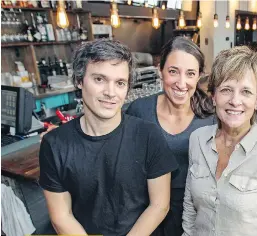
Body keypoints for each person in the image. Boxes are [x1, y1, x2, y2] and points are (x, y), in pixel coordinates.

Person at [39, 39, 178, 235]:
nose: (110, 92)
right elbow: (61, 217)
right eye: (99, 79)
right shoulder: (54, 144)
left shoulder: (148, 135)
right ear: (79, 80)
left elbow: (159, 205)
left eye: (120, 83)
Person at [182, 46, 257, 236]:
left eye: (246, 92)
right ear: (214, 96)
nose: (235, 101)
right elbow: (190, 210)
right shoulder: (198, 139)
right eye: (226, 89)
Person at [126, 36, 215, 236]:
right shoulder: (139, 111)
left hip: (194, 217)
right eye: (173, 71)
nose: (181, 83)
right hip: (146, 214)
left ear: (199, 76)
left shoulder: (210, 117)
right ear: (161, 71)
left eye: (190, 73)